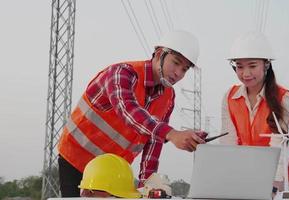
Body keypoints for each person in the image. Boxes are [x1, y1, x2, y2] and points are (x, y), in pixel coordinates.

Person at [57, 30, 206, 197]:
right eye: (176, 63)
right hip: (78, 159)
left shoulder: (168, 97)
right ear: (158, 54)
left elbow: (154, 143)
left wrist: (147, 186)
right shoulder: (122, 73)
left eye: (185, 69)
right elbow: (128, 111)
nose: (178, 73)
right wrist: (171, 133)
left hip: (113, 171)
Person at [219, 31, 289, 195]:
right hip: (252, 173)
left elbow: (278, 146)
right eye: (239, 66)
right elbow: (228, 143)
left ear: (266, 65)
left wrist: (273, 187)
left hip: (287, 175)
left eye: (252, 66)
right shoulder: (229, 97)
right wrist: (228, 180)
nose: (245, 73)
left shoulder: (283, 97)